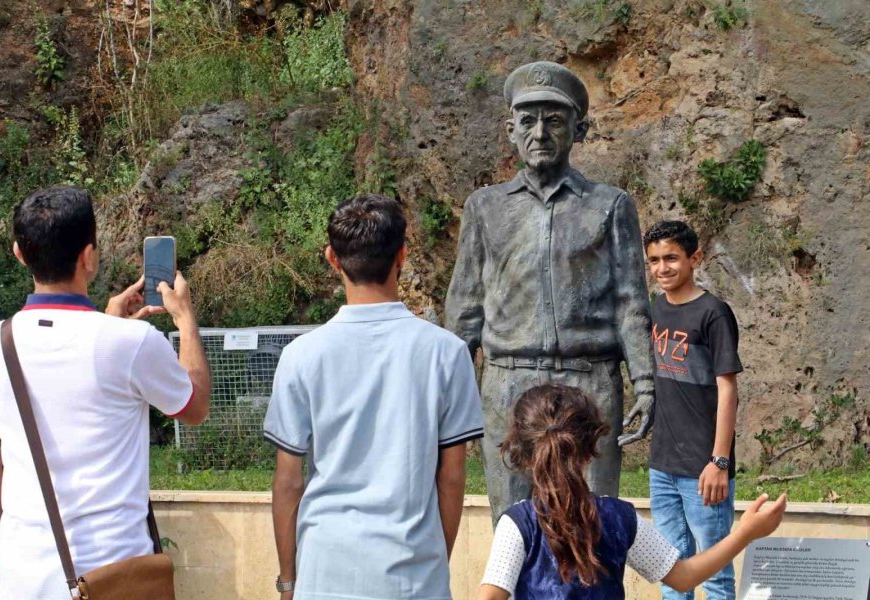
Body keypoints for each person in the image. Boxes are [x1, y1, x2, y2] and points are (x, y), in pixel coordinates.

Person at [0, 185, 211, 599]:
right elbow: (194, 406)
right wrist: (186, 320)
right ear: (89, 256)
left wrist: (107, 321)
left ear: (18, 252)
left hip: (24, 576)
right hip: (114, 576)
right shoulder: (131, 343)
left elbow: (61, 377)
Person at [445, 61, 655, 522]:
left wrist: (644, 381)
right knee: (511, 527)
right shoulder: (485, 208)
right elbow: (465, 311)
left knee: (594, 522)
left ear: (578, 130)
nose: (539, 132)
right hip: (508, 383)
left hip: (591, 380)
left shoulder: (610, 205)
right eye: (528, 121)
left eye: (554, 121)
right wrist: (449, 394)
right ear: (510, 130)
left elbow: (630, 303)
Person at [264, 194, 484, 600]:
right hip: (413, 575)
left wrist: (288, 581)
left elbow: (288, 482)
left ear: (332, 258)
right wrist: (434, 562)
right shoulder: (447, 353)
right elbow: (451, 478)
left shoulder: (300, 356)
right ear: (402, 255)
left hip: (324, 572)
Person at [477, 384, 786, 600]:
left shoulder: (517, 524)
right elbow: (684, 577)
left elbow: (490, 596)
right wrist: (744, 533)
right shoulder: (619, 518)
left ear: (524, 453)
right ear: (590, 450)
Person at [643, 220, 743, 600]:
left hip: (704, 468)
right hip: (662, 465)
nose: (662, 268)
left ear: (694, 258)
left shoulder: (713, 313)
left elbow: (728, 389)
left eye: (671, 258)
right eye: (654, 260)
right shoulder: (657, 308)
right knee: (671, 572)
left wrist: (719, 462)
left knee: (714, 574)